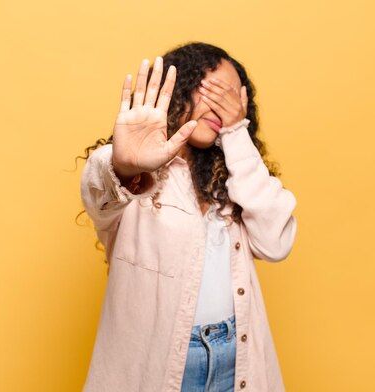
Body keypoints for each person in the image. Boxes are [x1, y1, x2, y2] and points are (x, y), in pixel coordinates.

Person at [79, 42, 297, 392]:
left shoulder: (235, 178)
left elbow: (277, 243)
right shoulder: (132, 174)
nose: (222, 107)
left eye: (232, 99)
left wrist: (236, 134)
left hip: (234, 361)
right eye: (211, 90)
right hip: (160, 365)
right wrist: (124, 165)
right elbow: (99, 188)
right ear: (178, 90)